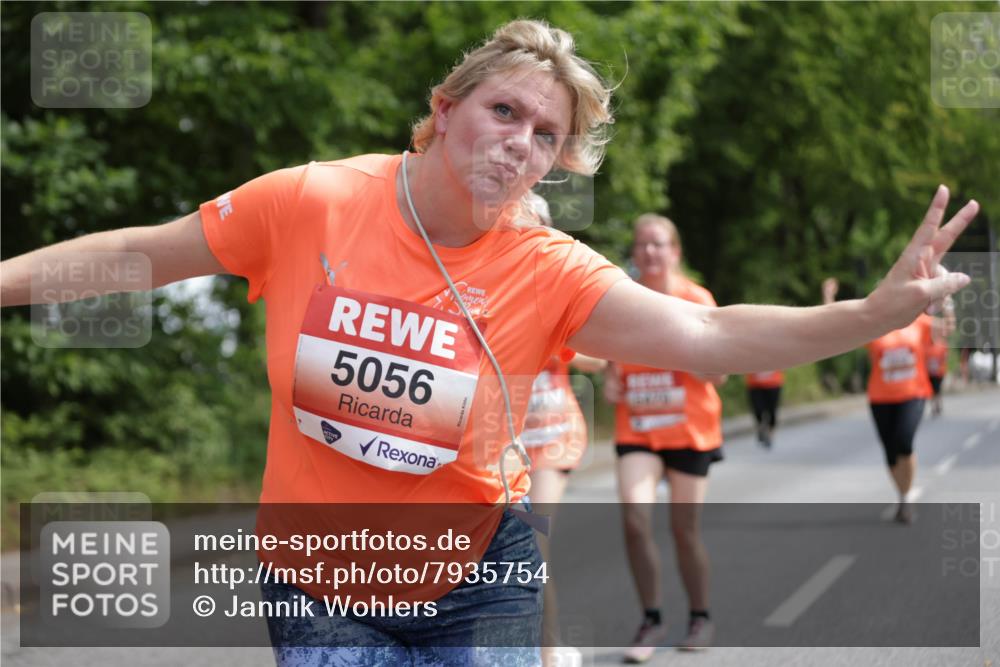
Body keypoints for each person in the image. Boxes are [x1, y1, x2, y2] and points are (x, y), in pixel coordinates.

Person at [0, 18, 979, 667]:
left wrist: (868, 312)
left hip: (480, 575)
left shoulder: (547, 265)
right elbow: (142, 251)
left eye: (546, 134)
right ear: (442, 113)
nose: (519, 141)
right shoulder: (310, 202)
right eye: (502, 110)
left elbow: (709, 333)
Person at [604, 214, 725, 662]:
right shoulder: (625, 301)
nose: (649, 252)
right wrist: (612, 383)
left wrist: (696, 363)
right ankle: (651, 620)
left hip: (690, 430)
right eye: (641, 245)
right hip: (638, 428)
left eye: (658, 244)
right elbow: (612, 361)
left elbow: (721, 372)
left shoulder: (697, 299)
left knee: (683, 530)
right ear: (634, 254)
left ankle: (700, 614)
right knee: (635, 520)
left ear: (675, 251)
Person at [822, 279, 949, 524]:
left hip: (914, 394)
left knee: (904, 441)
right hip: (880, 398)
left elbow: (947, 328)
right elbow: (838, 327)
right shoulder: (873, 326)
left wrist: (945, 300)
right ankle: (901, 495)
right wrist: (828, 297)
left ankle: (906, 498)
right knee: (890, 453)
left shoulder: (919, 322)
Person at [745, 369, 784, 448]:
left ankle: (770, 435)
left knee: (772, 411)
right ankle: (761, 428)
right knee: (758, 409)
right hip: (755, 384)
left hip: (773, 383)